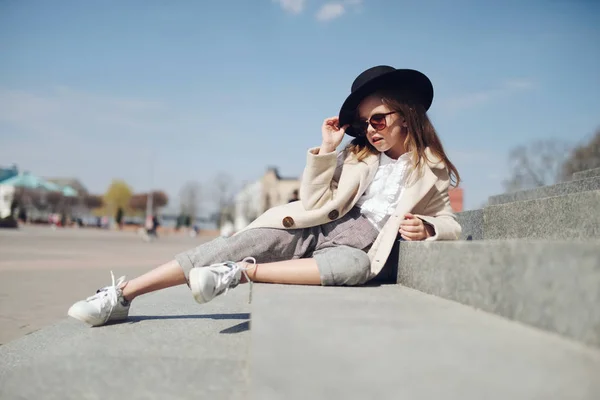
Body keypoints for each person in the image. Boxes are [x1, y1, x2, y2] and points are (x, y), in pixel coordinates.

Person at [67, 66, 462, 327]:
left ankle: (238, 273)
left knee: (353, 269)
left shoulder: (432, 168)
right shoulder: (357, 155)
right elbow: (311, 201)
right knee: (239, 242)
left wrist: (428, 228)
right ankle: (122, 295)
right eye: (363, 123)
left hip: (368, 247)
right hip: (319, 226)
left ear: (406, 115)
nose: (370, 130)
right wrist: (326, 150)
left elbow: (450, 223)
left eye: (378, 119)